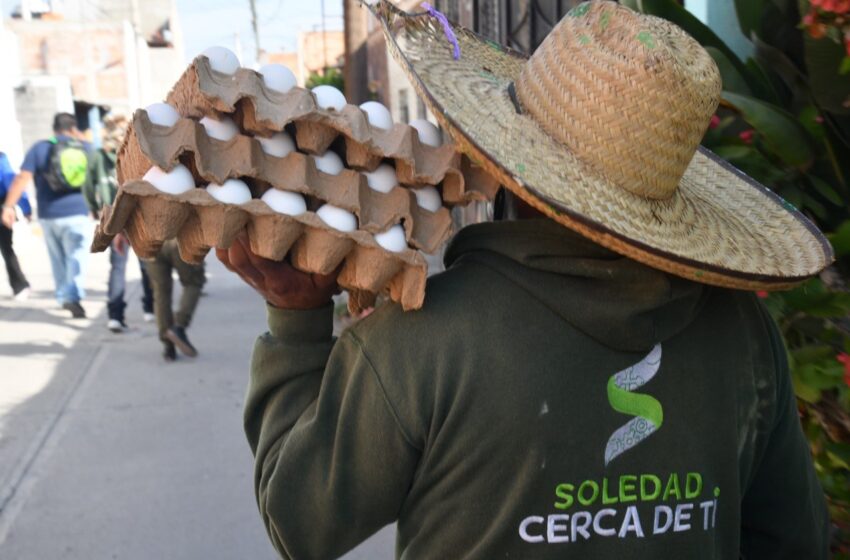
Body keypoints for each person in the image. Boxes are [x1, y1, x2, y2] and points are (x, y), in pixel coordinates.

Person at [218, 2, 831, 558]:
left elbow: (300, 520)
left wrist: (295, 316)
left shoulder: (421, 340)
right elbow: (793, 540)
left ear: (503, 161)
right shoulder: (744, 335)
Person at [2, 113, 94, 318]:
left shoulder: (40, 148)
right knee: (77, 257)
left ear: (54, 129)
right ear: (73, 129)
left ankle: (63, 296)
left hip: (48, 215)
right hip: (78, 213)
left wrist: (9, 207)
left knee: (57, 259)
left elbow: (21, 179)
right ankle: (73, 295)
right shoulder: (86, 148)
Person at [83, 114, 155, 332]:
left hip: (113, 219)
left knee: (117, 268)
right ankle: (150, 309)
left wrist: (95, 210)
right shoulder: (138, 153)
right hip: (140, 219)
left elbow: (87, 185)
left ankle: (115, 315)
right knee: (147, 265)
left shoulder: (98, 156)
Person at [145, 239, 205, 361]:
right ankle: (179, 326)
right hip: (180, 238)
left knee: (161, 292)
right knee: (193, 282)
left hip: (151, 241)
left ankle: (168, 346)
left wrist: (119, 234)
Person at [0, 151, 31, 299]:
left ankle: (20, 285)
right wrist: (25, 208)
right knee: (6, 249)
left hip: (2, 209)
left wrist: (24, 207)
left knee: (6, 249)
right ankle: (20, 286)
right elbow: (10, 180)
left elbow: (10, 181)